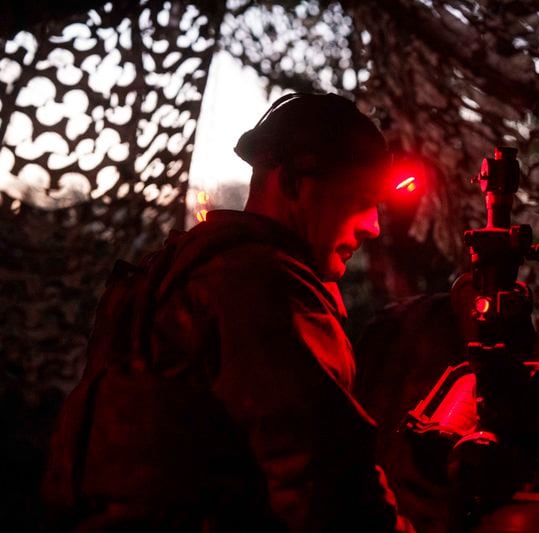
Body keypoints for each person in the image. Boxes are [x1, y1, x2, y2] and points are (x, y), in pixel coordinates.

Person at [42, 92, 414, 532]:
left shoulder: (180, 268)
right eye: (359, 198)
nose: (372, 224)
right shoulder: (262, 288)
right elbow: (328, 487)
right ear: (292, 182)